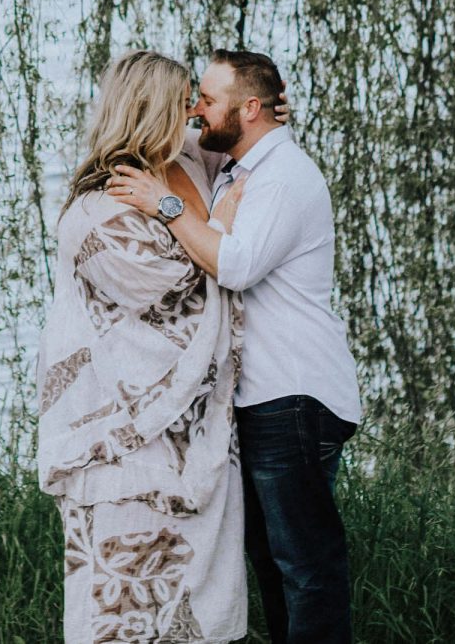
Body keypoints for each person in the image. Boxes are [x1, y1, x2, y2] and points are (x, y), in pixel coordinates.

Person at [109, 49, 361, 644]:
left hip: (292, 394)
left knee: (306, 566)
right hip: (263, 399)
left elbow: (236, 265)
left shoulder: (282, 176)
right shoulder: (239, 158)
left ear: (248, 110)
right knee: (274, 562)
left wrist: (164, 207)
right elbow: (167, 137)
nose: (196, 110)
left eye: (207, 100)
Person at [37, 50, 248, 644]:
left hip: (198, 429)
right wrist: (220, 233)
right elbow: (169, 289)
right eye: (183, 104)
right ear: (151, 111)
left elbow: (242, 141)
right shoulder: (99, 207)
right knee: (124, 598)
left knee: (198, 599)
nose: (192, 115)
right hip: (126, 435)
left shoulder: (186, 162)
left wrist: (271, 110)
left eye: (195, 104)